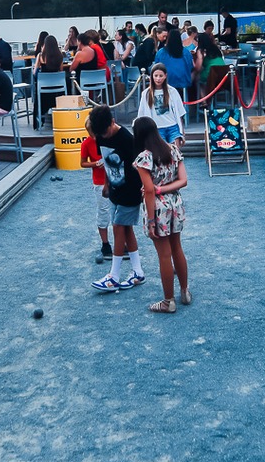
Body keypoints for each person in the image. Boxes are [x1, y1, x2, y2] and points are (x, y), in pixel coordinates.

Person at [130, 115, 190, 313]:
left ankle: (168, 301)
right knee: (177, 248)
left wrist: (150, 221)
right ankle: (185, 291)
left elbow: (148, 190)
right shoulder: (173, 149)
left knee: (164, 255)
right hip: (176, 203)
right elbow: (183, 181)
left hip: (158, 208)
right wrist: (164, 189)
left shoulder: (143, 158)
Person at [87, 106, 147, 294]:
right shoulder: (99, 134)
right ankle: (137, 272)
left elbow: (141, 169)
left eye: (105, 132)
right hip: (113, 190)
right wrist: (106, 185)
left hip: (130, 191)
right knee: (126, 228)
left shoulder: (128, 140)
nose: (103, 137)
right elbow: (105, 160)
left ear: (113, 122)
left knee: (118, 228)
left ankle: (113, 276)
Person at [134, 63, 187, 144]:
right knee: (163, 154)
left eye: (160, 76)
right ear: (152, 76)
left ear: (165, 76)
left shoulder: (172, 91)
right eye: (156, 76)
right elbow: (141, 114)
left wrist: (182, 131)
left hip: (173, 127)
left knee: (175, 152)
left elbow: (180, 113)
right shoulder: (146, 93)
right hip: (156, 128)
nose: (158, 79)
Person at [81, 121, 112, 259]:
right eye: (90, 134)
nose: (93, 137)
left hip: (113, 178)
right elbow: (82, 162)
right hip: (99, 181)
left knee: (118, 211)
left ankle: (122, 242)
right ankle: (105, 244)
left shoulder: (108, 139)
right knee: (103, 211)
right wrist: (95, 164)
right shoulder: (86, 144)